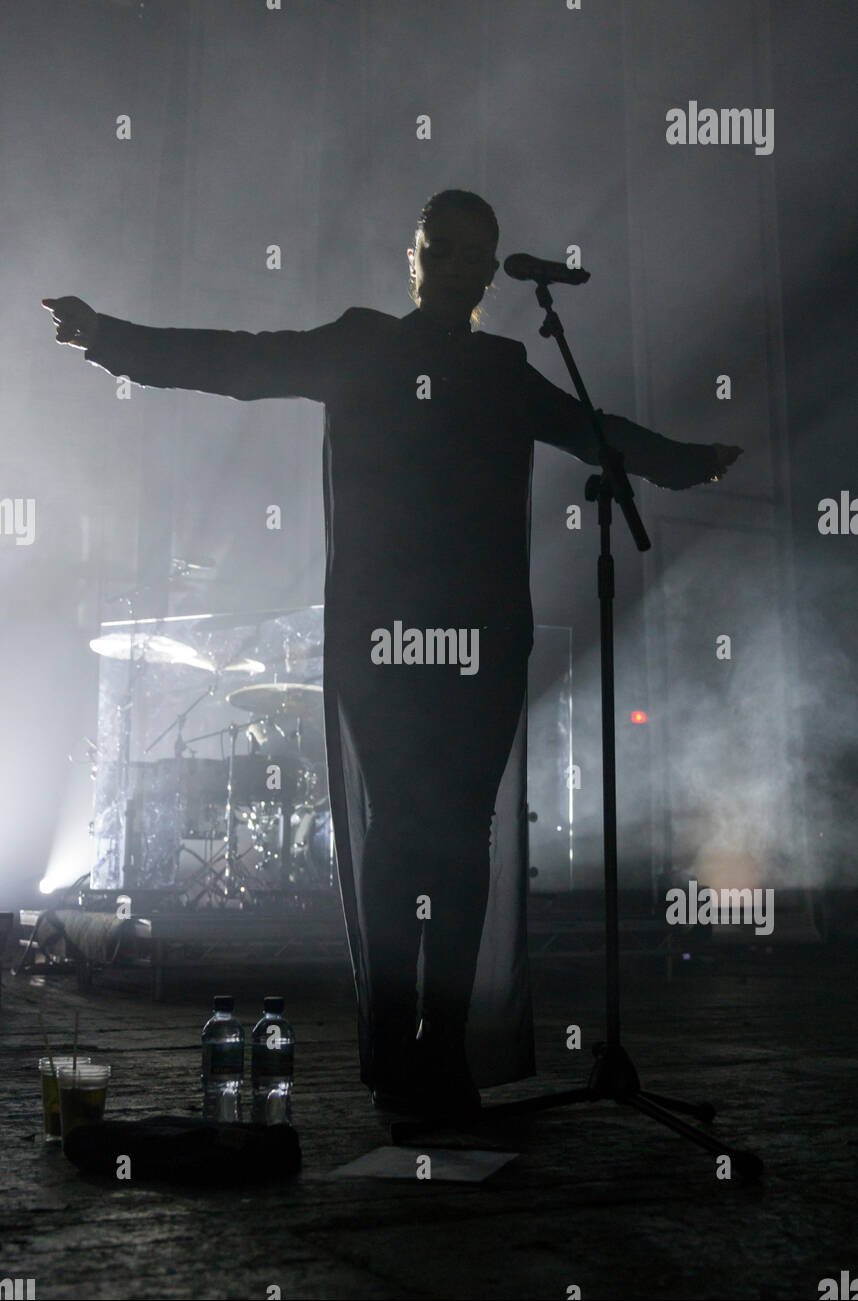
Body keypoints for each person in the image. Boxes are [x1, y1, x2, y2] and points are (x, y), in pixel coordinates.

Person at [43, 188, 742, 1118]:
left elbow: (595, 430)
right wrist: (111, 338)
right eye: (438, 248)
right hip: (384, 636)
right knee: (409, 829)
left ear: (491, 271)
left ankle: (439, 1047)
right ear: (413, 258)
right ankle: (400, 1049)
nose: (454, 265)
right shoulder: (361, 345)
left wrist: (681, 458)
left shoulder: (502, 370)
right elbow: (237, 362)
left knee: (462, 839)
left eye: (472, 253)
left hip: (484, 636)